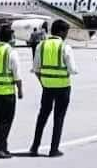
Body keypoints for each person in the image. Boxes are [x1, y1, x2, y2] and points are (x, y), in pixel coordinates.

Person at [29, 20, 77, 158]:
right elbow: (73, 70)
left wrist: (43, 82)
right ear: (61, 32)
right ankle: (53, 149)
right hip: (63, 87)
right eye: (66, 32)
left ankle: (34, 147)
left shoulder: (41, 46)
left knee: (42, 117)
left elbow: (36, 69)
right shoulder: (64, 47)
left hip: (47, 87)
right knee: (59, 118)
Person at [0, 25, 22, 159]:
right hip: (7, 92)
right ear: (11, 38)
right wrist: (20, 90)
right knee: (7, 121)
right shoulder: (11, 52)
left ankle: (3, 147)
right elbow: (17, 74)